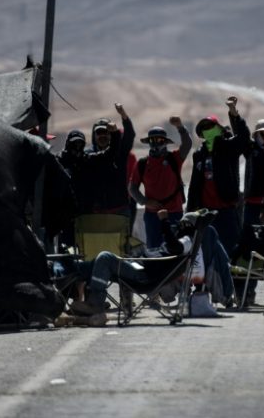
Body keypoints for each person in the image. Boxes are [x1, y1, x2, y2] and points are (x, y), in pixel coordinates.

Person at [69, 209, 205, 316]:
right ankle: (67, 284)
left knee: (105, 257)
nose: (178, 228)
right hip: (141, 269)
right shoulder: (188, 242)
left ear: (187, 225)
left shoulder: (187, 240)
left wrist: (164, 222)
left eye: (180, 225)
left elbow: (175, 246)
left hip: (143, 276)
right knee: (91, 264)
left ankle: (95, 303)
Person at [187, 96, 250, 255]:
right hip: (205, 214)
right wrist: (189, 212)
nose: (208, 129)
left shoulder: (228, 148)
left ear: (219, 129)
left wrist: (234, 113)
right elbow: (194, 185)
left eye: (211, 126)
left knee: (229, 252)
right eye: (204, 128)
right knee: (205, 253)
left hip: (226, 211)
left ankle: (231, 281)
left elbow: (243, 139)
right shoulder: (199, 155)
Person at [128, 117, 192, 247]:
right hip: (153, 216)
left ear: (165, 142)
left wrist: (180, 127)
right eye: (153, 140)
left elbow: (187, 145)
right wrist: (145, 202)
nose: (156, 142)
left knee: (176, 249)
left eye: (160, 140)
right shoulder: (142, 164)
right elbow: (132, 188)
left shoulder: (175, 158)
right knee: (154, 250)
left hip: (174, 213)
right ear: (149, 142)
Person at [232, 118, 264, 306]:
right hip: (251, 206)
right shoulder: (251, 149)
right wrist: (234, 114)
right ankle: (245, 294)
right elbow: (241, 134)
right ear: (256, 135)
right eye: (262, 133)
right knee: (247, 250)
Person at [84, 103, 135, 216]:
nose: (103, 136)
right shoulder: (87, 155)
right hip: (95, 212)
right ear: (94, 135)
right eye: (99, 132)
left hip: (120, 210)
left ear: (111, 135)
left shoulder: (120, 152)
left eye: (106, 132)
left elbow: (130, 135)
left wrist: (123, 115)